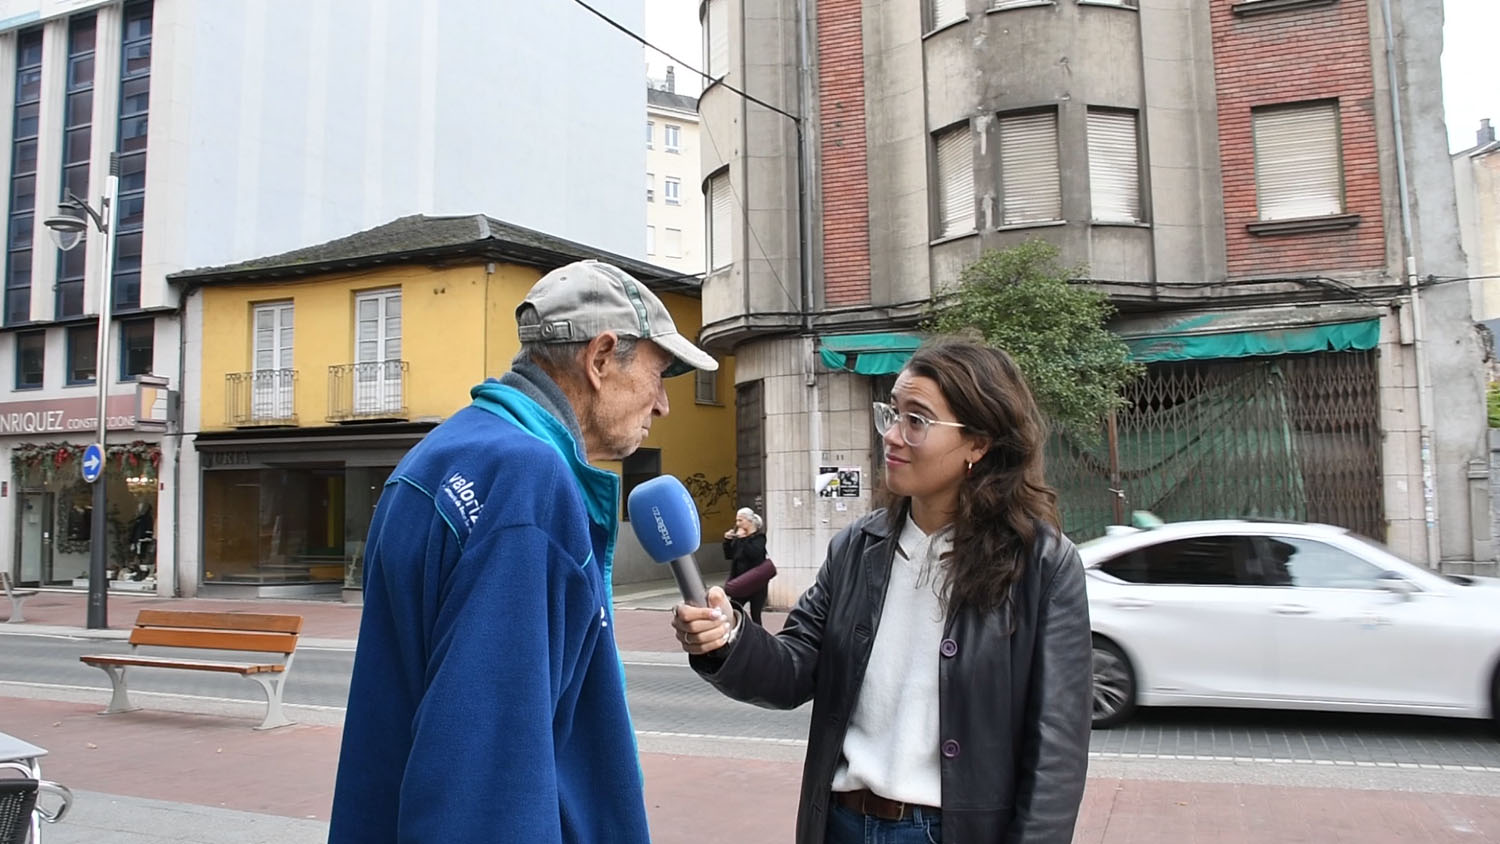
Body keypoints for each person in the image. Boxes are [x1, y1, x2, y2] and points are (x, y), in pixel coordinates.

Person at [328, 259, 718, 843]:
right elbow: (489, 773)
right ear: (600, 358)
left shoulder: (439, 453)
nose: (663, 404)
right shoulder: (527, 482)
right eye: (658, 375)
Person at [671, 339, 1091, 844]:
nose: (891, 435)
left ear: (978, 444)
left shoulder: (1041, 564)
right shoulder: (858, 547)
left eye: (917, 420)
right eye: (892, 413)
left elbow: (1057, 751)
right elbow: (794, 668)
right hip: (841, 823)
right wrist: (729, 638)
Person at [722, 506, 769, 625]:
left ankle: (758, 635)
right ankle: (736, 633)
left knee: (756, 615)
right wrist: (727, 541)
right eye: (737, 520)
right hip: (740, 582)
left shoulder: (760, 538)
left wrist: (745, 539)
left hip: (756, 584)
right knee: (733, 610)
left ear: (749, 521)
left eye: (740, 520)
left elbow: (753, 553)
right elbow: (729, 555)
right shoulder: (739, 539)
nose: (737, 524)